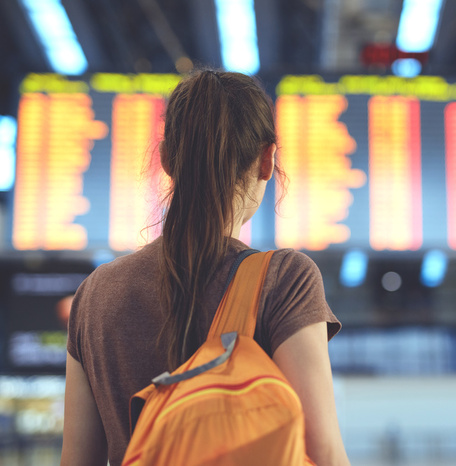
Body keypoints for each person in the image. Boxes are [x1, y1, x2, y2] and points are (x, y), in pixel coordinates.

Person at [60, 69, 350, 466]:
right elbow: (324, 453)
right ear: (267, 160)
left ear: (166, 159)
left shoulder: (94, 294)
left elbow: (75, 461)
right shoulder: (284, 280)